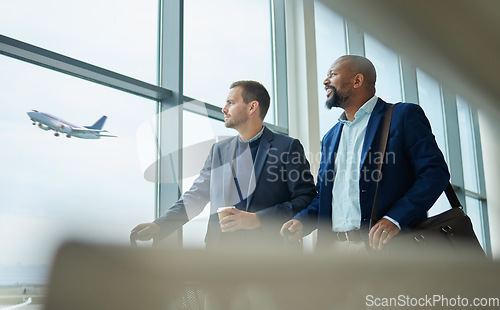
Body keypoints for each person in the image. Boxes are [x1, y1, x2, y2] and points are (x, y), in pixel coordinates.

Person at [280, 55, 450, 251]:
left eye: (332, 74)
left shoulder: (402, 116)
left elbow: (434, 173)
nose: (325, 81)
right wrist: (302, 221)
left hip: (386, 251)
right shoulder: (331, 137)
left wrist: (395, 218)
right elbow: (325, 196)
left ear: (357, 80)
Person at [132, 80, 316, 248]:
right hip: (219, 257)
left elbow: (305, 198)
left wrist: (257, 219)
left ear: (252, 107)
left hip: (272, 256)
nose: (224, 109)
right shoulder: (218, 151)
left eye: (231, 102)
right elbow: (195, 197)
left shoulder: (287, 147)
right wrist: (160, 225)